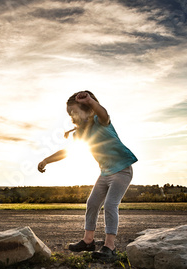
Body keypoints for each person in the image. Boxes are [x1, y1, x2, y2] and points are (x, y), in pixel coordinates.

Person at [37, 90, 137, 260]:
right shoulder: (80, 134)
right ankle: (88, 241)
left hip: (122, 170)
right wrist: (47, 160)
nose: (72, 117)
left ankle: (110, 247)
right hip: (105, 173)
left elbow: (104, 113)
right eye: (70, 114)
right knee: (92, 203)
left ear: (89, 110)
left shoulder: (101, 121)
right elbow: (68, 152)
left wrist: (90, 101)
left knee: (111, 205)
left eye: (75, 112)